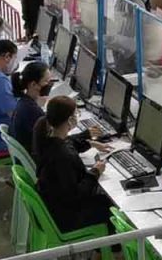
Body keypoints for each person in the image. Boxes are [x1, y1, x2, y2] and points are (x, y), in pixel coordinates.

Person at [33, 96, 115, 233]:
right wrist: (95, 172)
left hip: (54, 206)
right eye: (76, 114)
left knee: (102, 197)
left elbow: (68, 142)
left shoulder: (48, 140)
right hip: (67, 217)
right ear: (70, 120)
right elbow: (77, 194)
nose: (77, 116)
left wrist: (90, 143)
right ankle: (112, 245)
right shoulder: (63, 156)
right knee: (110, 205)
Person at [8, 62, 54, 151]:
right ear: (33, 84)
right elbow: (53, 140)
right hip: (36, 155)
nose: (49, 84)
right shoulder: (33, 111)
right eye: (46, 81)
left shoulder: (23, 101)